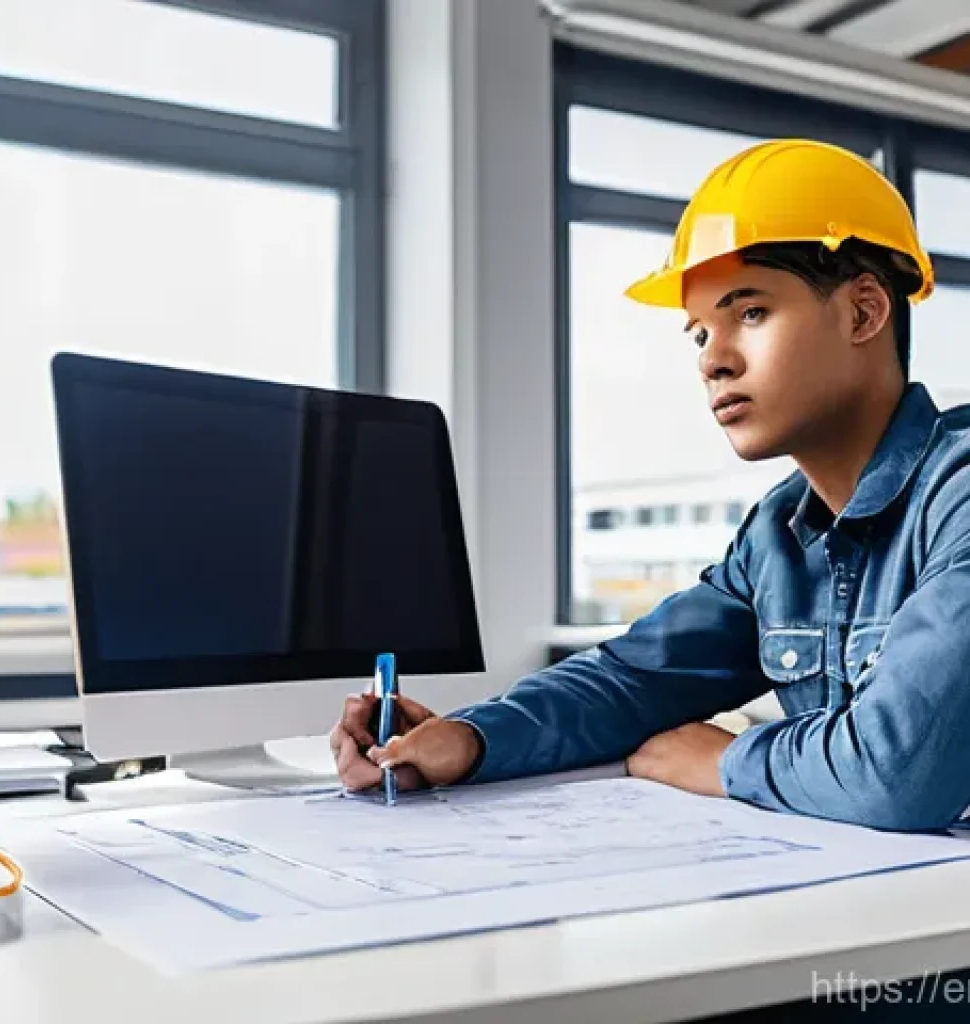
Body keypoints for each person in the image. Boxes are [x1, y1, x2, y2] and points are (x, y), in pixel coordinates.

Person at [330, 138, 970, 833]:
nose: (714, 362)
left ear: (864, 313)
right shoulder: (780, 535)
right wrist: (469, 740)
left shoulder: (958, 495)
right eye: (699, 335)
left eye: (749, 314)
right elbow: (632, 679)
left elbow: (897, 775)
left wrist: (721, 762)